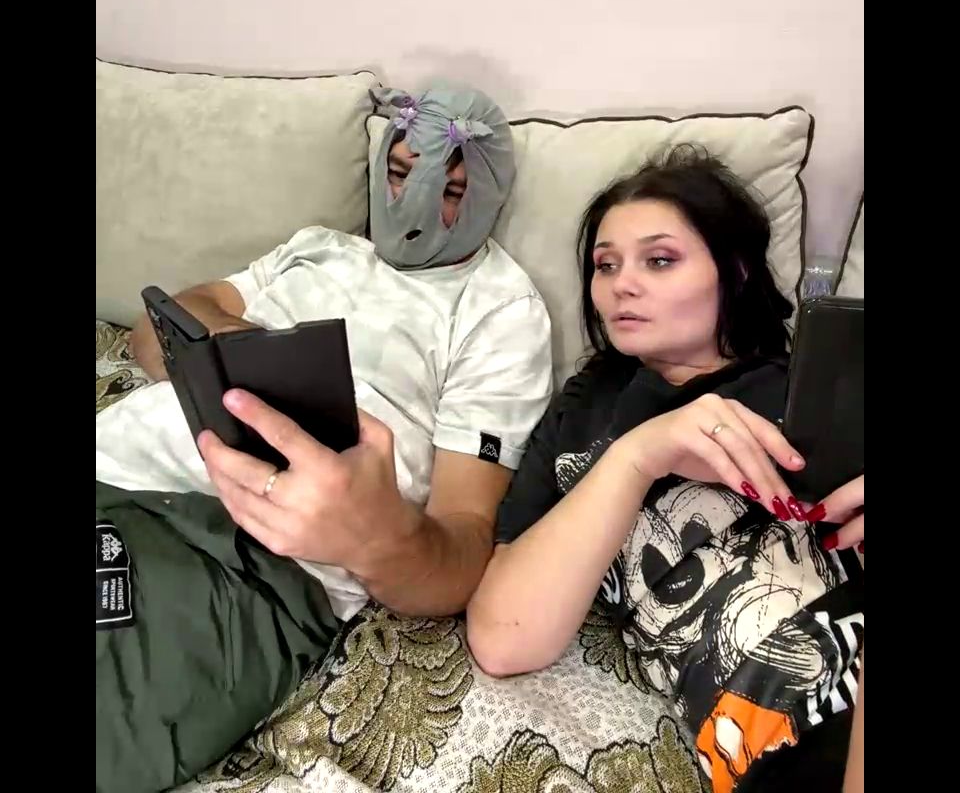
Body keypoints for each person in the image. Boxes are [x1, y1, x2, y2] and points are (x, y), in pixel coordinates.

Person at [96, 85, 554, 793]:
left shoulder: (503, 310)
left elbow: (465, 545)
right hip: (115, 464)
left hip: (243, 558)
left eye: (452, 191)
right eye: (399, 174)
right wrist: (253, 353)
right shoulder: (320, 248)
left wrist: (375, 541)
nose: (414, 205)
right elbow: (158, 332)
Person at [467, 146, 864, 793]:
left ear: (734, 271)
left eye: (659, 260)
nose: (620, 285)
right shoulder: (582, 416)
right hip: (775, 757)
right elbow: (502, 639)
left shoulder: (810, 387)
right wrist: (639, 455)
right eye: (605, 265)